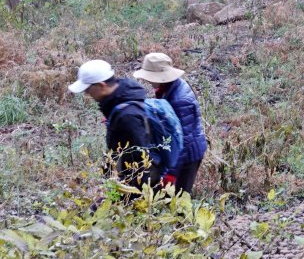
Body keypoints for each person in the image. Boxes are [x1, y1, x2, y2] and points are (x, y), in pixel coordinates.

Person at [68, 59, 159, 188]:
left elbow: (141, 158)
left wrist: (127, 189)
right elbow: (117, 146)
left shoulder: (127, 115)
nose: (87, 94)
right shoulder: (119, 98)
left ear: (101, 85)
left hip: (138, 182)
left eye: (88, 89)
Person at [134, 52, 207, 195]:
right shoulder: (168, 88)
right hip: (179, 153)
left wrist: (172, 173)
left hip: (188, 157)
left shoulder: (179, 100)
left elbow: (184, 140)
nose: (148, 81)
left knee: (180, 198)